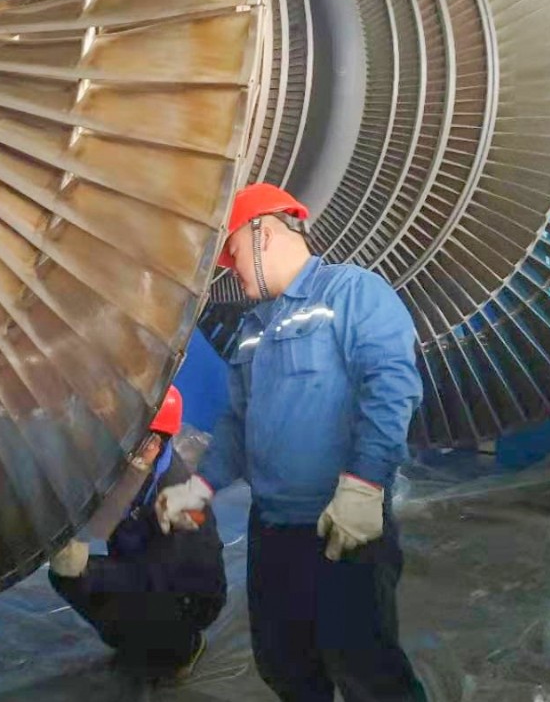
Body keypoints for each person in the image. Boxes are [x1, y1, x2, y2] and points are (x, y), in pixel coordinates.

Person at [157, 183, 426, 702]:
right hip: (272, 532)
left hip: (340, 526)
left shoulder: (352, 293)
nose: (233, 270)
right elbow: (238, 423)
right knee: (284, 665)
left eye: (234, 251)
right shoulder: (252, 328)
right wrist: (200, 487)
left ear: (263, 233)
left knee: (367, 670)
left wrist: (365, 486)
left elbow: (390, 387)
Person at [48, 386, 226, 682]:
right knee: (69, 578)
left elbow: (164, 572)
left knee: (85, 579)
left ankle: (182, 647)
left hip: (187, 595)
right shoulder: (129, 471)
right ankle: (134, 640)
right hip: (142, 568)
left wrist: (92, 572)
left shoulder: (178, 495)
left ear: (155, 442)